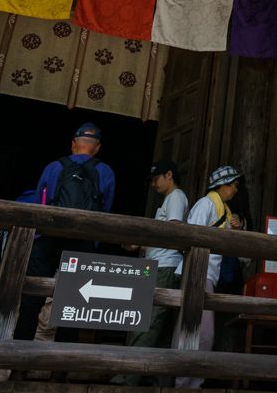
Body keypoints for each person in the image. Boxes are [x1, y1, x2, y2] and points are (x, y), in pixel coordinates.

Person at [17, 122, 117, 343]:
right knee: (74, 302)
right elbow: (105, 211)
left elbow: (38, 203)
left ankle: (18, 365)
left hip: (47, 237)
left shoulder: (54, 167)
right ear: (97, 148)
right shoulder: (105, 171)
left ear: (73, 144)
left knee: (32, 299)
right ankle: (59, 372)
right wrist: (93, 243)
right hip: (82, 240)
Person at [112, 159, 188, 386]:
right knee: (161, 331)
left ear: (168, 175)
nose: (153, 184)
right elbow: (163, 240)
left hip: (164, 268)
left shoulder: (175, 196)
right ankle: (160, 383)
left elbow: (172, 230)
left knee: (146, 323)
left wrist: (143, 239)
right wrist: (140, 246)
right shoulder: (171, 199)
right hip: (166, 265)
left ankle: (126, 378)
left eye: (155, 179)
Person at [176, 166, 242, 389]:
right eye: (233, 184)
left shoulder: (224, 211)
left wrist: (235, 230)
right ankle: (187, 385)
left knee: (197, 331)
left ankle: (190, 383)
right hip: (198, 272)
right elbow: (192, 235)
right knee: (200, 332)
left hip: (207, 274)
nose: (235, 189)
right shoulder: (206, 204)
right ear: (222, 185)